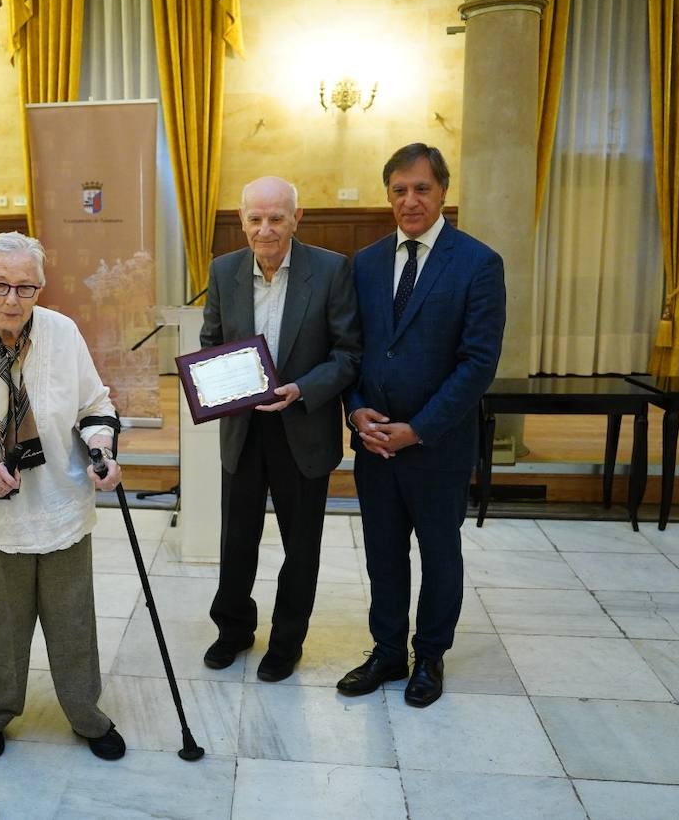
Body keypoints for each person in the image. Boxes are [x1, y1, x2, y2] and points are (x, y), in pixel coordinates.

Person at [0, 231, 127, 761]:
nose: (12, 300)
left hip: (61, 504)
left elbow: (95, 406)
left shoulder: (62, 332)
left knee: (72, 619)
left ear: (41, 287)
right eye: (0, 286)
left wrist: (102, 450)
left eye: (26, 288)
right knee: (4, 625)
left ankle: (86, 713)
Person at [337, 143, 505, 708]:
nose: (410, 200)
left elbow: (477, 363)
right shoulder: (364, 263)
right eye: (399, 190)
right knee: (382, 554)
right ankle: (387, 652)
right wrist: (356, 409)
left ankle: (429, 656)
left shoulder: (478, 263)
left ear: (443, 192)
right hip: (375, 445)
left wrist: (418, 429)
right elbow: (352, 350)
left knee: (438, 553)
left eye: (422, 188)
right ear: (388, 195)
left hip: (437, 445)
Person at [200, 176, 362, 682]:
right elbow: (210, 342)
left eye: (276, 218)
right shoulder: (224, 271)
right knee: (236, 540)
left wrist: (303, 388)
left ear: (297, 218)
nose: (265, 229)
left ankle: (287, 642)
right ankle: (233, 631)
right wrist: (213, 379)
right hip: (243, 430)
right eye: (255, 218)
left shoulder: (332, 270)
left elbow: (348, 354)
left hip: (303, 425)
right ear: (242, 220)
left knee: (301, 545)